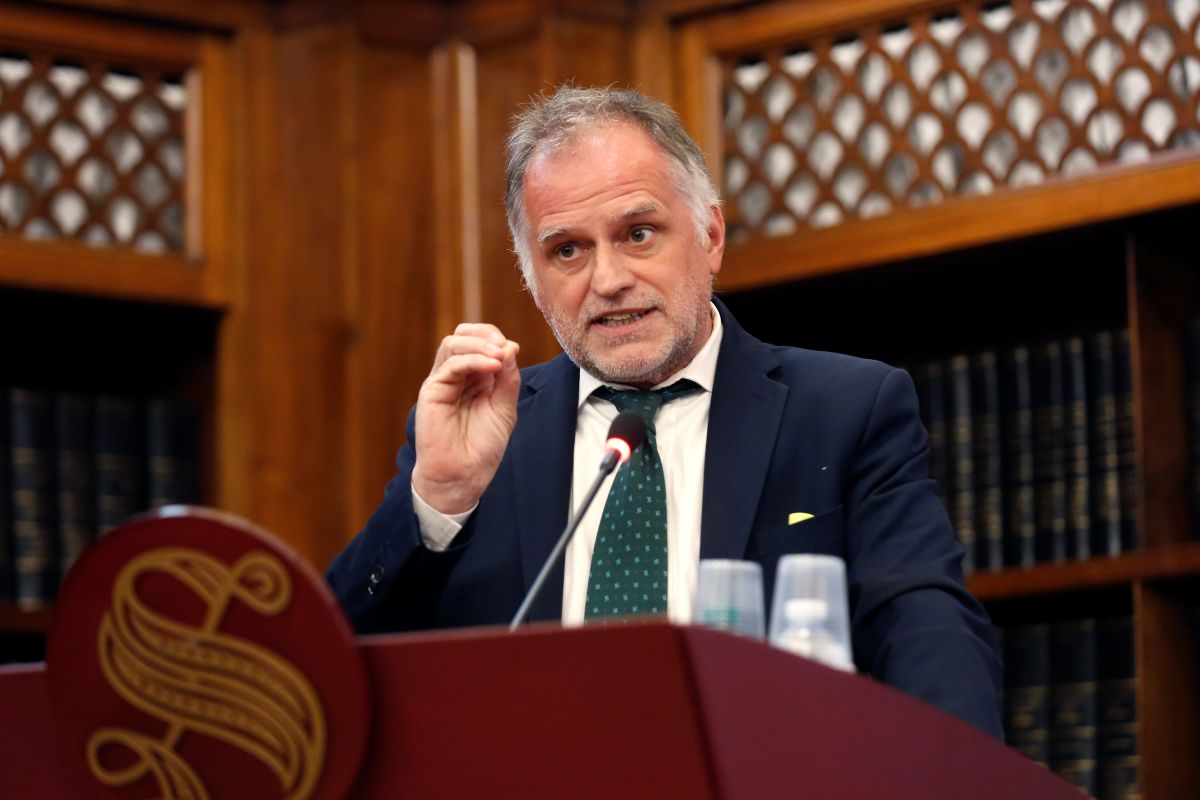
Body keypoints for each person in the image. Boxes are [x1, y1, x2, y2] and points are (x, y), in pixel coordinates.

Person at [326, 86, 1002, 737]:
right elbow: (328, 678)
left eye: (639, 233)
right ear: (531, 278)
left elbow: (929, 635)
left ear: (710, 236)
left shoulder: (844, 411)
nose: (608, 280)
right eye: (567, 250)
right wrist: (437, 501)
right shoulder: (482, 435)